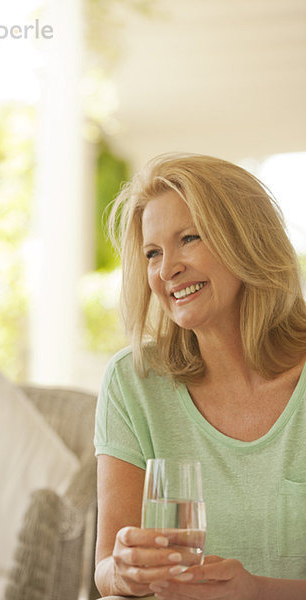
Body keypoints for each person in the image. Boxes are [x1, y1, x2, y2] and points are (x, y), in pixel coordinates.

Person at [93, 153, 306, 599]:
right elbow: (107, 570)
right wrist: (124, 570)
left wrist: (257, 592)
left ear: (248, 241)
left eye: (189, 238)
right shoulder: (135, 382)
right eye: (153, 252)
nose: (166, 269)